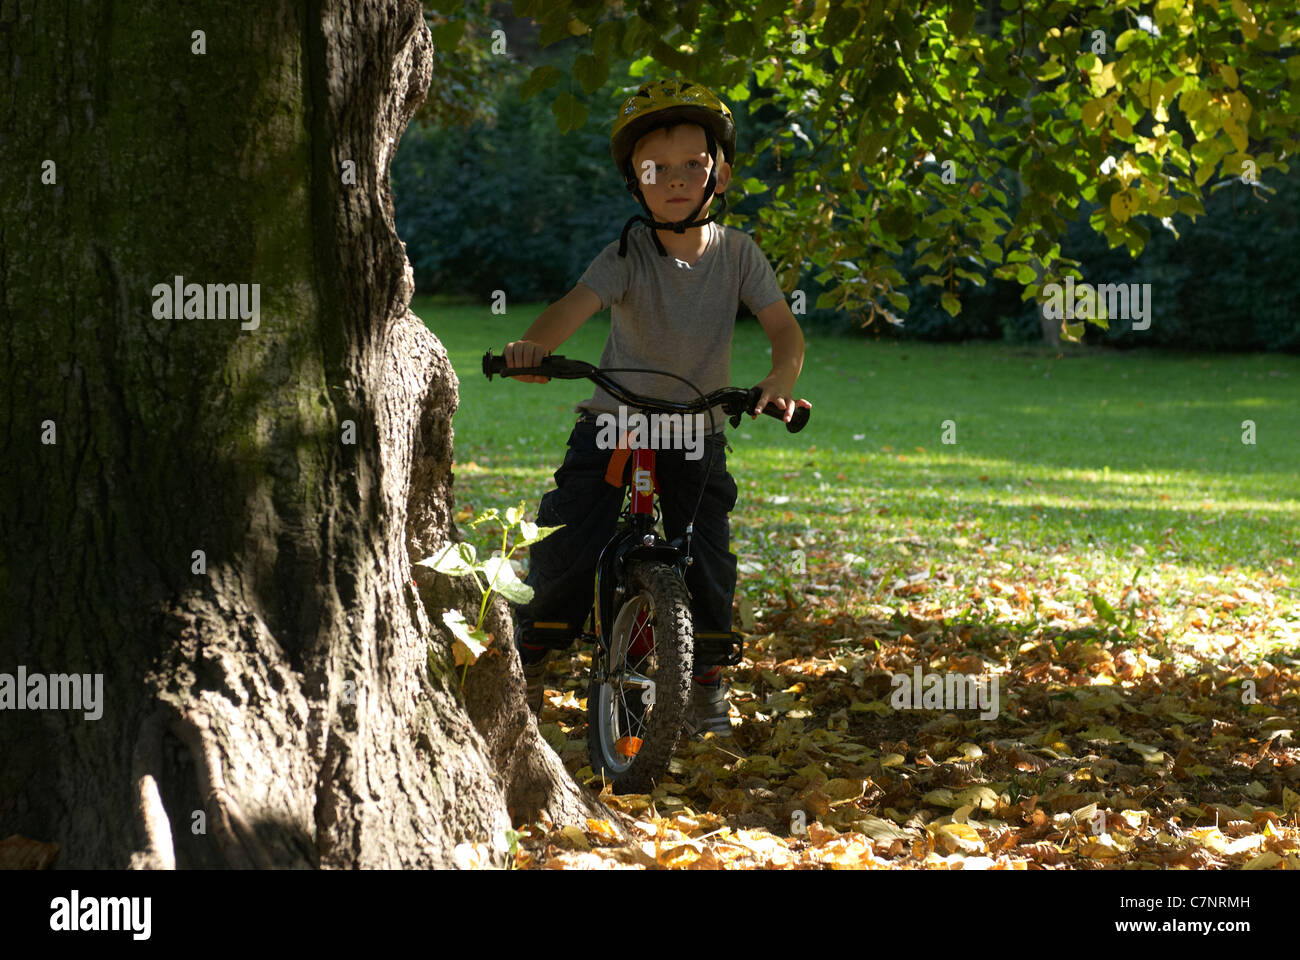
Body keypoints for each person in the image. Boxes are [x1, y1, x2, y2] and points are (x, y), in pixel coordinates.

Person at [504, 79, 809, 737]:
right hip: (615, 422)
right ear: (634, 185)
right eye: (654, 169)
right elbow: (573, 308)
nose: (674, 180)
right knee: (566, 537)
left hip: (696, 429)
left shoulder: (739, 255)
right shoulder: (628, 254)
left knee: (709, 557)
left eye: (691, 166)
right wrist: (532, 348)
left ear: (720, 174)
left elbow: (785, 330)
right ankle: (530, 651)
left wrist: (779, 378)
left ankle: (705, 679)